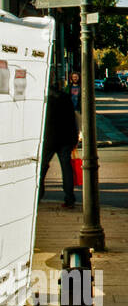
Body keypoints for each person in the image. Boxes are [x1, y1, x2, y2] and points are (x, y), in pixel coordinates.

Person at [40, 78, 79, 209]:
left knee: (41, 167)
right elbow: (72, 119)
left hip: (48, 139)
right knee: (66, 168)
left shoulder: (44, 99)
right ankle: (69, 198)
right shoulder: (65, 97)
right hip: (65, 138)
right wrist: (74, 139)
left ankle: (39, 194)